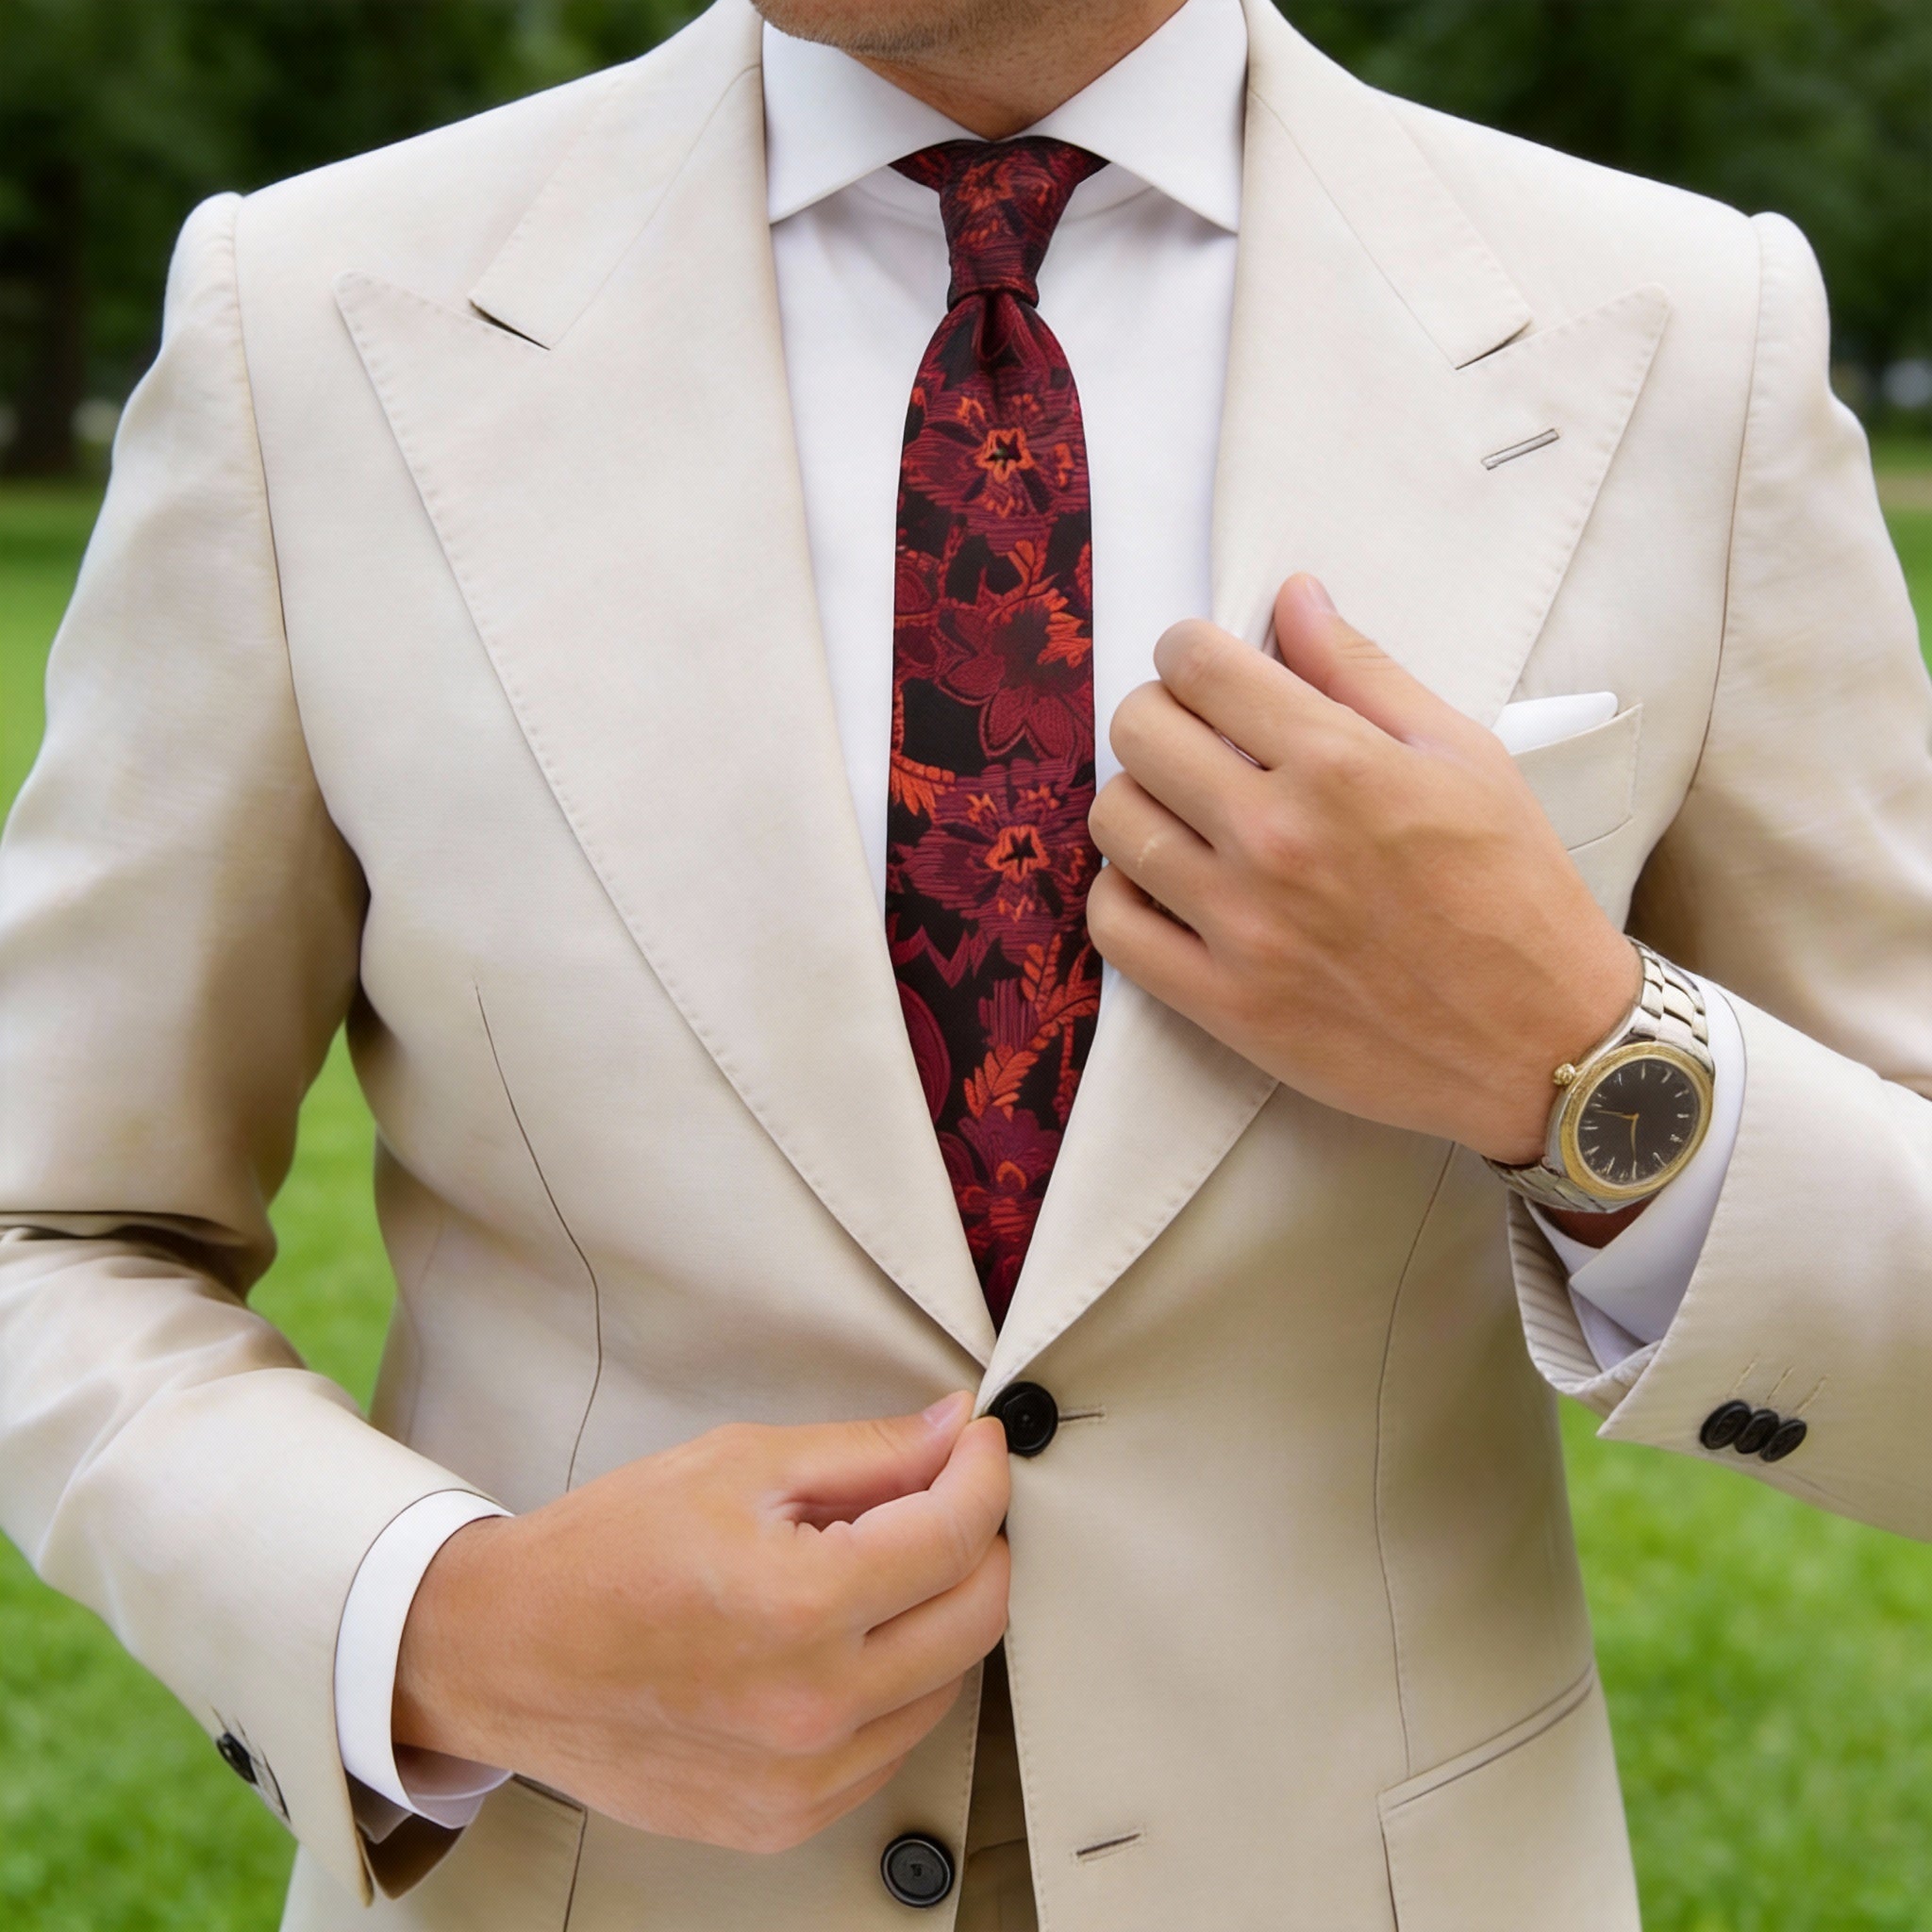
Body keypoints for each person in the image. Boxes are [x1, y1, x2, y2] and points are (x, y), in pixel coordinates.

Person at [2, 0, 1928, 1924]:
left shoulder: (1683, 334)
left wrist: (1579, 1063)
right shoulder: (313, 316)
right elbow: (50, 1225)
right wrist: (446, 1626)